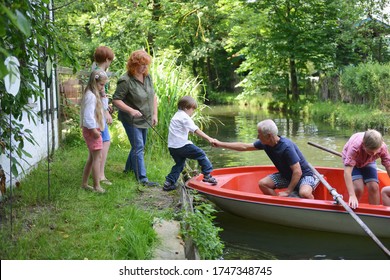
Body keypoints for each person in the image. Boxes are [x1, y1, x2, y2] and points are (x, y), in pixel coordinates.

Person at [212, 119, 316, 199]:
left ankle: (314, 211)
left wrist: (288, 191)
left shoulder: (286, 147)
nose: (258, 136)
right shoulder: (265, 143)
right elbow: (244, 147)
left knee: (304, 193)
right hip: (287, 176)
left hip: (304, 175)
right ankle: (279, 204)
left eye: (259, 134)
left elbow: (298, 172)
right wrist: (220, 144)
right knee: (263, 184)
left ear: (269, 136)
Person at [112, 49, 159, 187]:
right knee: (138, 146)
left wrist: (155, 114)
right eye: (142, 64)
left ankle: (128, 170)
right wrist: (131, 110)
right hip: (131, 120)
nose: (145, 67)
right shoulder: (125, 80)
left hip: (146, 118)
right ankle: (142, 179)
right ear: (133, 65)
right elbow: (116, 100)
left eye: (147, 64)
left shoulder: (147, 77)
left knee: (138, 146)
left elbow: (153, 96)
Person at [163, 96, 217, 191]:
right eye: (193, 109)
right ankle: (207, 175)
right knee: (201, 154)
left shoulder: (176, 115)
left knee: (179, 164)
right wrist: (209, 139)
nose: (193, 112)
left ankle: (168, 182)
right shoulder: (184, 117)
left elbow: (180, 129)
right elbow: (196, 130)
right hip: (182, 145)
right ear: (186, 108)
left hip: (172, 147)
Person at [342, 129, 390, 209]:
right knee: (358, 188)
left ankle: (375, 212)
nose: (374, 154)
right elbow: (347, 173)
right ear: (364, 145)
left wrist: (371, 154)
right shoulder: (355, 147)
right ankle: (349, 208)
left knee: (374, 187)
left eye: (376, 151)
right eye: (371, 152)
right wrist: (352, 195)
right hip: (354, 161)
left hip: (368, 161)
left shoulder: (382, 147)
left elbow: (388, 166)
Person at [80, 70, 108, 193]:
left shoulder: (95, 94)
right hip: (92, 130)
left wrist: (103, 95)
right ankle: (97, 186)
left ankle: (84, 183)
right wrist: (93, 130)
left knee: (92, 158)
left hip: (94, 128)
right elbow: (88, 116)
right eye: (101, 85)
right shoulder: (90, 96)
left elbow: (104, 108)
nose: (103, 87)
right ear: (94, 81)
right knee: (98, 157)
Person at [93, 46, 115, 186]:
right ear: (107, 59)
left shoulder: (94, 70)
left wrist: (107, 106)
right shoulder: (100, 73)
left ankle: (99, 173)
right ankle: (100, 175)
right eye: (110, 60)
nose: (110, 63)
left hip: (100, 110)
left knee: (104, 141)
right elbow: (99, 94)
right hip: (99, 113)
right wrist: (106, 112)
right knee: (104, 142)